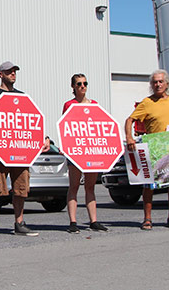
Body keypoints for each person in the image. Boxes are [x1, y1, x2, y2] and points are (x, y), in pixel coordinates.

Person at [0, 61, 48, 239]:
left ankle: (19, 223)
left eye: (14, 71)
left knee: (21, 188)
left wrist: (45, 139)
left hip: (21, 153)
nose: (13, 74)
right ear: (0, 74)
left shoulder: (23, 97)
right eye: (9, 71)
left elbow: (32, 121)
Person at [125, 69, 169, 230]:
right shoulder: (147, 102)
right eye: (154, 82)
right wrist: (129, 137)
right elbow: (130, 120)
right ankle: (147, 219)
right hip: (154, 147)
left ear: (167, 83)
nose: (157, 84)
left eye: (160, 81)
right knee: (149, 185)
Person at [63, 74, 108, 233]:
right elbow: (66, 127)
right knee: (74, 186)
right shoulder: (69, 105)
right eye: (79, 84)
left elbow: (100, 125)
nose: (82, 86)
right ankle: (73, 222)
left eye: (85, 83)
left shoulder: (94, 104)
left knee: (90, 186)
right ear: (73, 87)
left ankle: (93, 221)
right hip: (76, 150)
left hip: (91, 150)